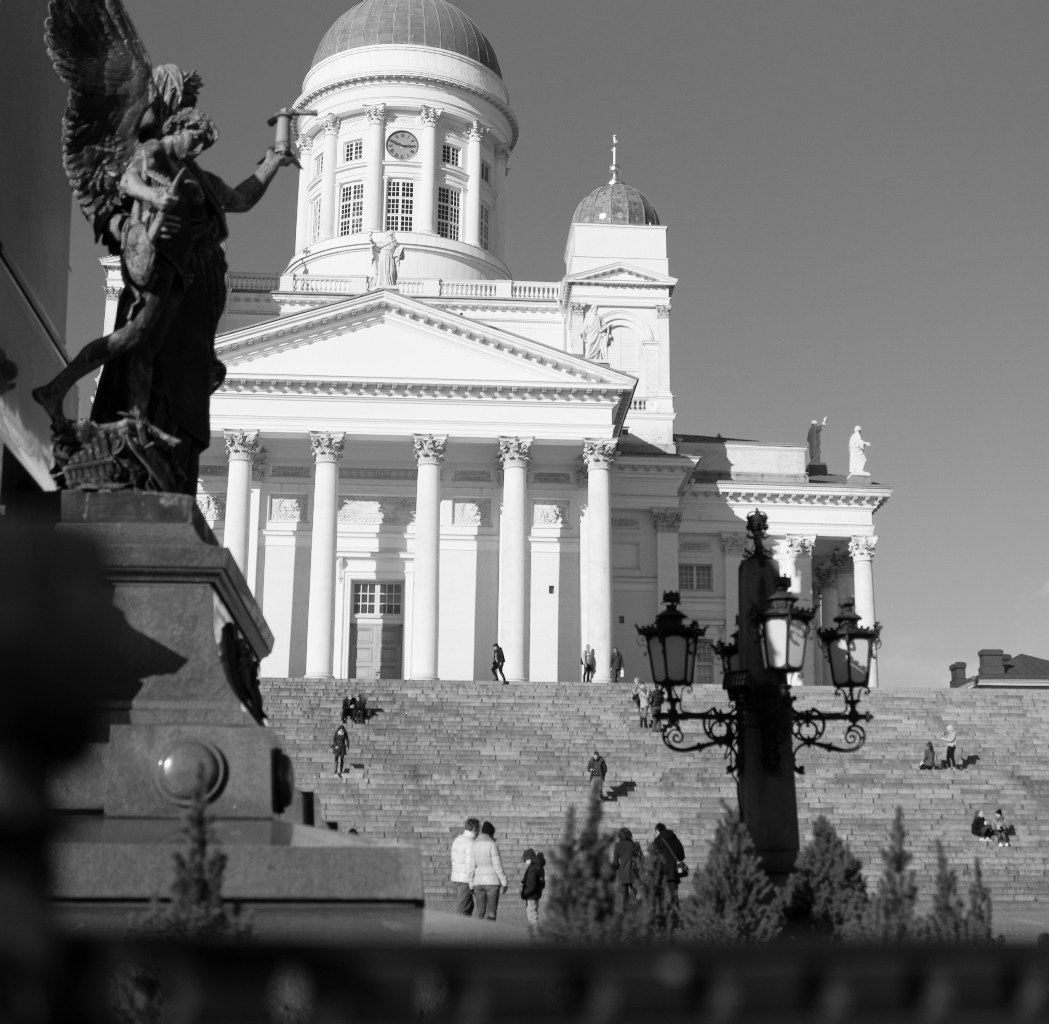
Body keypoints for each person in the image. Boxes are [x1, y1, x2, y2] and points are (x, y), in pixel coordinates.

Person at [34, 107, 293, 493]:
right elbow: (128, 179)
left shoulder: (200, 179)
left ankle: (136, 422)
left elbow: (240, 199)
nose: (199, 146)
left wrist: (271, 163)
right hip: (159, 262)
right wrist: (155, 193)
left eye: (205, 143)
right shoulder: (156, 151)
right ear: (181, 127)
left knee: (148, 350)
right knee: (134, 336)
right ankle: (58, 388)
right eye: (197, 137)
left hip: (184, 271)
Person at [469, 821, 508, 920]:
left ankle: (479, 933)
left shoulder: (475, 845)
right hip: (492, 882)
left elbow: (472, 866)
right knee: (491, 913)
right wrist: (504, 882)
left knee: (480, 913)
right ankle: (490, 934)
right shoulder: (492, 845)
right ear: (491, 833)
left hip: (478, 882)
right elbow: (497, 865)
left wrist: (470, 883)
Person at [449, 817, 480, 916]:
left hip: (459, 876)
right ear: (474, 828)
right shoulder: (470, 843)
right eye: (479, 828)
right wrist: (472, 882)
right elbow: (469, 865)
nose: (480, 831)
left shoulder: (458, 839)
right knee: (463, 907)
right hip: (466, 879)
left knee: (468, 905)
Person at [652, 822, 687, 905]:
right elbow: (681, 855)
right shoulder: (675, 838)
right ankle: (676, 913)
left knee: (662, 896)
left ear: (657, 831)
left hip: (662, 872)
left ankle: (665, 914)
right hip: (674, 872)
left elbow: (654, 857)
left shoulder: (657, 840)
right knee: (674, 895)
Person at [611, 827, 642, 910]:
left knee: (625, 897)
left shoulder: (617, 845)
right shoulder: (634, 845)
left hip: (622, 874)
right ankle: (633, 915)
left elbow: (615, 862)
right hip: (633, 873)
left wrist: (619, 867)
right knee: (633, 897)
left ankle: (625, 915)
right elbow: (641, 859)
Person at [520, 848, 546, 931]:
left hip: (531, 895)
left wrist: (524, 893)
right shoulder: (538, 866)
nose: (525, 863)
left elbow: (531, 885)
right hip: (536, 894)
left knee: (532, 915)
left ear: (529, 858)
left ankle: (536, 933)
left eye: (525, 860)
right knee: (533, 913)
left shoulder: (532, 868)